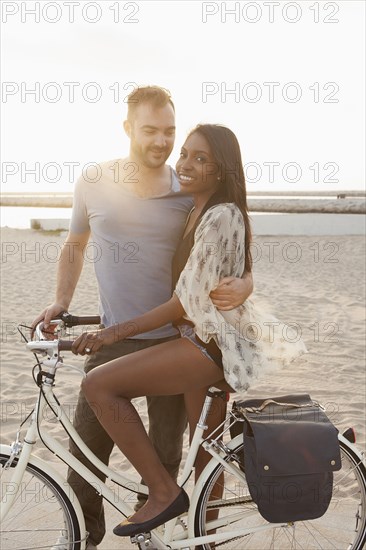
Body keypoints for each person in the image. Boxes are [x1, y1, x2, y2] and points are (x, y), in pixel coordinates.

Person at [32, 87, 253, 548]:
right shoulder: (96, 181)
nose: (162, 141)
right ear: (128, 128)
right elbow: (75, 243)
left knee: (170, 453)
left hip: (173, 342)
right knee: (86, 453)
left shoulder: (189, 188)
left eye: (169, 131)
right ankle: (86, 538)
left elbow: (228, 249)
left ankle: (156, 536)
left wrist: (247, 282)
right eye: (150, 129)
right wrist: (60, 301)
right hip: (114, 339)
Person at [72, 124, 306, 537]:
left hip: (206, 346)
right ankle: (206, 541)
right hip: (203, 342)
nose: (185, 164)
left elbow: (184, 301)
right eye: (185, 154)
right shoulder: (195, 207)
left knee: (99, 386)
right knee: (208, 456)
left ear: (222, 171)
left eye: (201, 159)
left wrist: (112, 334)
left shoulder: (218, 215)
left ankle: (162, 493)